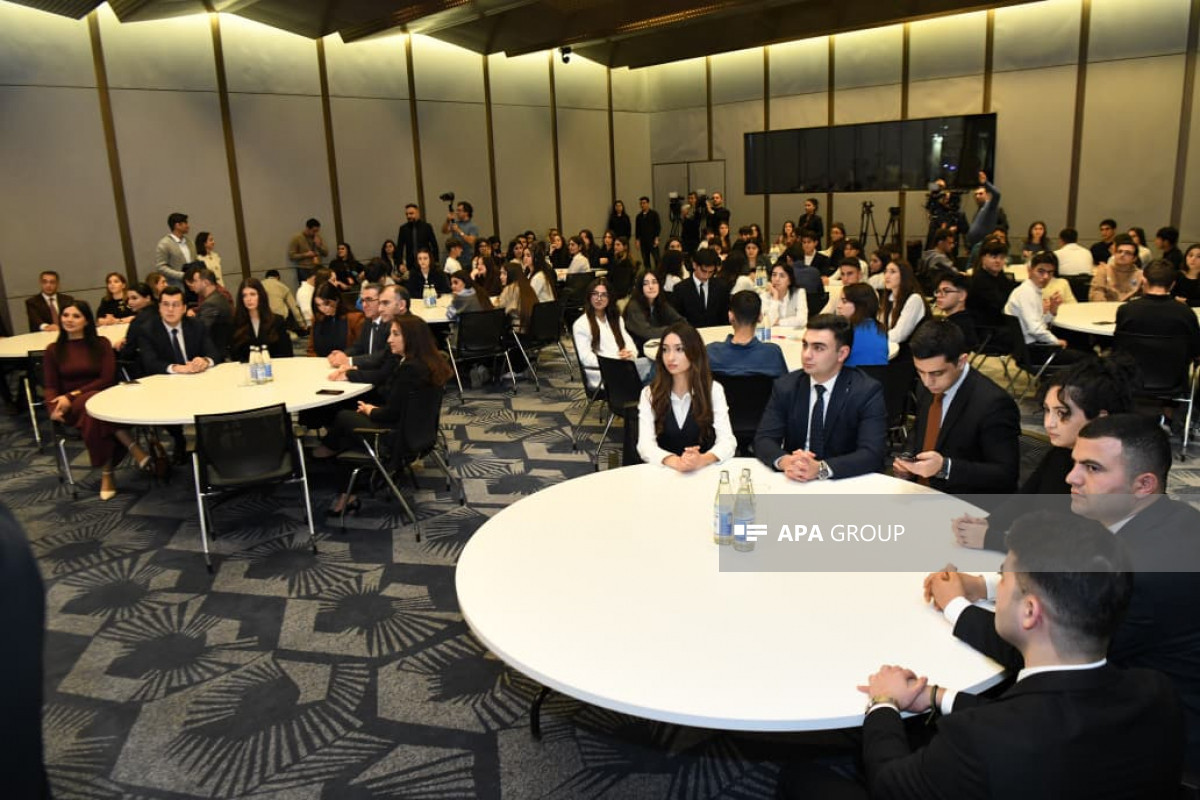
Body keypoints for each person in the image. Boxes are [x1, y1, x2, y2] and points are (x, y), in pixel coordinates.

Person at [805, 512, 1184, 800]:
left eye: (1003, 577)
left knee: (797, 775)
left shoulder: (980, 741)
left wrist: (884, 703)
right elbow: (1039, 716)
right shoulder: (1156, 693)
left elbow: (890, 784)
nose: (997, 587)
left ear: (1030, 612)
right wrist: (937, 696)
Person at [927, 413, 1200, 773]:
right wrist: (987, 585)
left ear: (1144, 484)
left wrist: (955, 606)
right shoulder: (1169, 516)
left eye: (1092, 468)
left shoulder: (1145, 573)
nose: (1071, 478)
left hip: (1152, 738)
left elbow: (1049, 652)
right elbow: (1068, 577)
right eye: (1075, 463)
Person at [952, 356, 1136, 551]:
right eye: (1047, 411)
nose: (1049, 423)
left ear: (1100, 418)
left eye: (1062, 413)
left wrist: (993, 539)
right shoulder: (1061, 452)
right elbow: (1024, 499)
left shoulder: (1114, 475)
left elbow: (1072, 547)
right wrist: (989, 522)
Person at [316, 315, 454, 513]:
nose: (389, 339)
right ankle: (344, 481)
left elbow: (391, 413)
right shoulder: (431, 362)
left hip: (398, 439)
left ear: (411, 338)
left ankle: (328, 458)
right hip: (422, 434)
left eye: (395, 334)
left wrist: (371, 410)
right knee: (348, 428)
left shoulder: (409, 369)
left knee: (343, 417)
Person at [893, 321, 1019, 500]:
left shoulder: (993, 403)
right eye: (920, 371)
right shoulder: (926, 386)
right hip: (919, 493)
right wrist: (908, 458)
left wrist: (945, 467)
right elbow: (920, 431)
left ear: (961, 361)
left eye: (937, 373)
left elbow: (1006, 475)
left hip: (964, 502)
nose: (927, 382)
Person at [754, 314, 886, 481]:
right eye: (805, 345)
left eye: (818, 348)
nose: (806, 355)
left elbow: (872, 453)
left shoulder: (865, 391)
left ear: (842, 353)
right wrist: (786, 461)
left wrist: (821, 469)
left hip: (844, 481)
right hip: (796, 479)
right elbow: (764, 439)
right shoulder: (786, 386)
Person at [43, 301, 150, 500]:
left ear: (86, 321)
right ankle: (131, 446)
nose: (69, 320)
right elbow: (50, 386)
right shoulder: (53, 350)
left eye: (76, 316)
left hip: (104, 399)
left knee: (93, 410)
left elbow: (106, 379)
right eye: (65, 315)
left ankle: (107, 473)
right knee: (91, 409)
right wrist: (52, 407)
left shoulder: (101, 344)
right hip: (71, 408)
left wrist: (71, 395)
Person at [636, 322, 735, 469]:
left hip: (703, 471)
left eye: (679, 349)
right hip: (665, 471)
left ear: (694, 352)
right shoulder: (649, 393)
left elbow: (727, 441)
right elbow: (645, 445)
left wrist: (703, 459)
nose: (670, 357)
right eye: (665, 350)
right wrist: (675, 461)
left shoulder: (713, 390)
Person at [1116, 258, 1200, 365]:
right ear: (1172, 285)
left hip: (1132, 372)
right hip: (1173, 373)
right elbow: (1195, 350)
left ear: (1144, 281)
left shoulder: (1126, 310)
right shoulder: (1186, 313)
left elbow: (1118, 346)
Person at [1004, 251, 1082, 366]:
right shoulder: (1026, 293)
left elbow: (1038, 323)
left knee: (1080, 347)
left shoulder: (1032, 290)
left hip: (1030, 348)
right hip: (1034, 352)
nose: (1046, 277)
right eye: (1041, 271)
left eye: (1050, 273)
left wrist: (1052, 310)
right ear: (1030, 270)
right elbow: (1035, 330)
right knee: (1088, 359)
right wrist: (1055, 341)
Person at [572, 277, 651, 390]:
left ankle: (640, 398)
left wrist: (630, 353)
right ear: (589, 296)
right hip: (602, 374)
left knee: (653, 364)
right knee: (653, 369)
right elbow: (586, 358)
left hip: (622, 366)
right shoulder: (581, 324)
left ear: (610, 298)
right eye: (595, 294)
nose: (599, 298)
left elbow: (628, 341)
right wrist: (616, 361)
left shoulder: (615, 318)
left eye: (604, 295)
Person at [705, 291, 787, 377]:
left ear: (730, 316)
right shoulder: (773, 354)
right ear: (760, 317)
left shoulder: (710, 353)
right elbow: (785, 383)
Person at [229, 278, 291, 363]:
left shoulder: (277, 321)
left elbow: (287, 353)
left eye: (253, 294)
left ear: (261, 296)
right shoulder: (236, 323)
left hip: (274, 366)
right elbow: (234, 355)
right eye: (244, 295)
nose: (248, 299)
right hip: (247, 368)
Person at [623, 269, 682, 356]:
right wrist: (673, 329)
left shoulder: (660, 303)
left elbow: (680, 321)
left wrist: (676, 328)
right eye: (646, 284)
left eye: (654, 282)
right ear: (640, 287)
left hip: (657, 349)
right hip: (639, 354)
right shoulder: (634, 306)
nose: (651, 286)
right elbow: (647, 333)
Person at [673, 248, 732, 329]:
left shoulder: (721, 287)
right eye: (704, 271)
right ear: (694, 265)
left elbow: (724, 316)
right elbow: (677, 319)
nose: (707, 275)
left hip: (716, 332)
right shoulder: (680, 289)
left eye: (710, 272)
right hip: (690, 333)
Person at [967, 235, 1015, 332]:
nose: (998, 261)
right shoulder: (980, 280)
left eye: (1002, 258)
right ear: (983, 258)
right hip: (987, 329)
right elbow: (1000, 303)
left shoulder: (999, 275)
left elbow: (1011, 291)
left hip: (998, 322)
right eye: (994, 257)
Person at [307, 282, 365, 358]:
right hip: (320, 362)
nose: (322, 308)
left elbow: (361, 348)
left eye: (326, 304)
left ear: (337, 300)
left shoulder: (354, 318)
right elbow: (311, 349)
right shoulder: (317, 318)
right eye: (318, 305)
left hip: (346, 361)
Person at [836, 283, 888, 367]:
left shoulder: (846, 332)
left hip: (853, 374)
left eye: (844, 302)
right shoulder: (880, 328)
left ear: (860, 305)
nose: (839, 306)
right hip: (880, 374)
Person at [880, 260, 927, 350]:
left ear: (904, 275)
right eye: (886, 271)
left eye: (892, 272)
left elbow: (899, 335)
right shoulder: (889, 299)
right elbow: (880, 327)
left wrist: (875, 339)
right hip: (891, 348)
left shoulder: (914, 299)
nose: (887, 276)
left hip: (910, 352)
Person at [188, 267, 232, 359]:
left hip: (217, 355)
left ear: (206, 283)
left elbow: (201, 330)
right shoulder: (219, 297)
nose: (193, 284)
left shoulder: (211, 304)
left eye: (195, 281)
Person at [1090, 233, 1143, 302]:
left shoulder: (1140, 275)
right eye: (1119, 251)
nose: (1122, 255)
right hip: (1106, 306)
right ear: (1114, 254)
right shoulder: (1104, 271)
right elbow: (1096, 291)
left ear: (1134, 258)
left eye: (1127, 253)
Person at [932, 271, 977, 351]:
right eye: (938, 291)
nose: (938, 295)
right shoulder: (954, 321)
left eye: (946, 291)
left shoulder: (959, 328)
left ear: (962, 296)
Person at [760, 261, 808, 327]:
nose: (777, 279)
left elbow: (802, 320)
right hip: (773, 333)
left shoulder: (799, 293)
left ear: (789, 281)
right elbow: (767, 323)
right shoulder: (764, 296)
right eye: (774, 275)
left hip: (793, 333)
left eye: (782, 276)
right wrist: (775, 297)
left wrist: (779, 322)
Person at [965, 171, 1004, 250]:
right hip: (974, 246)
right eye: (975, 194)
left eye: (980, 194)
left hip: (984, 246)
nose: (977, 196)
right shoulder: (979, 210)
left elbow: (997, 194)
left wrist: (985, 183)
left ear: (988, 195)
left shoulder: (990, 206)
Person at [261, 269, 307, 334]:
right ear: (277, 277)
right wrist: (302, 324)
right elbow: (294, 307)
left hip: (264, 319)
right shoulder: (283, 287)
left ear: (266, 277)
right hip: (280, 319)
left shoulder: (260, 285)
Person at [497, 262, 537, 333]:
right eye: (501, 273)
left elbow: (499, 311)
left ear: (512, 274)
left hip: (517, 330)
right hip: (531, 328)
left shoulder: (510, 289)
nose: (501, 277)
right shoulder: (528, 287)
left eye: (504, 274)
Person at [154, 211, 191, 287]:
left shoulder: (189, 242)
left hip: (192, 284)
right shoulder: (164, 244)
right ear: (177, 225)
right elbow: (161, 267)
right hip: (175, 285)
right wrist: (181, 275)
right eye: (185, 223)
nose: (188, 226)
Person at [396, 203, 439, 268]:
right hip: (411, 263)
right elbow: (400, 248)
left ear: (418, 213)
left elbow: (434, 245)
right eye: (407, 214)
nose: (408, 216)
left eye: (411, 213)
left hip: (426, 262)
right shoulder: (403, 229)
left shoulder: (427, 227)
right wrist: (400, 263)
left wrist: (435, 261)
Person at [634, 196, 662, 271]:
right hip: (643, 241)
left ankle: (658, 272)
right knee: (645, 259)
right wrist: (637, 240)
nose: (642, 205)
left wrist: (656, 237)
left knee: (656, 258)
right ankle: (648, 272)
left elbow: (658, 226)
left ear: (648, 203)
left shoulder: (654, 214)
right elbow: (637, 230)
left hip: (652, 239)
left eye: (644, 203)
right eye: (641, 203)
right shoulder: (639, 217)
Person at [607, 236, 636, 301]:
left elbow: (622, 284)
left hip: (620, 295)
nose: (615, 247)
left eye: (618, 245)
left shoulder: (626, 263)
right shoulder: (616, 260)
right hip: (615, 292)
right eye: (614, 245)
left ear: (625, 247)